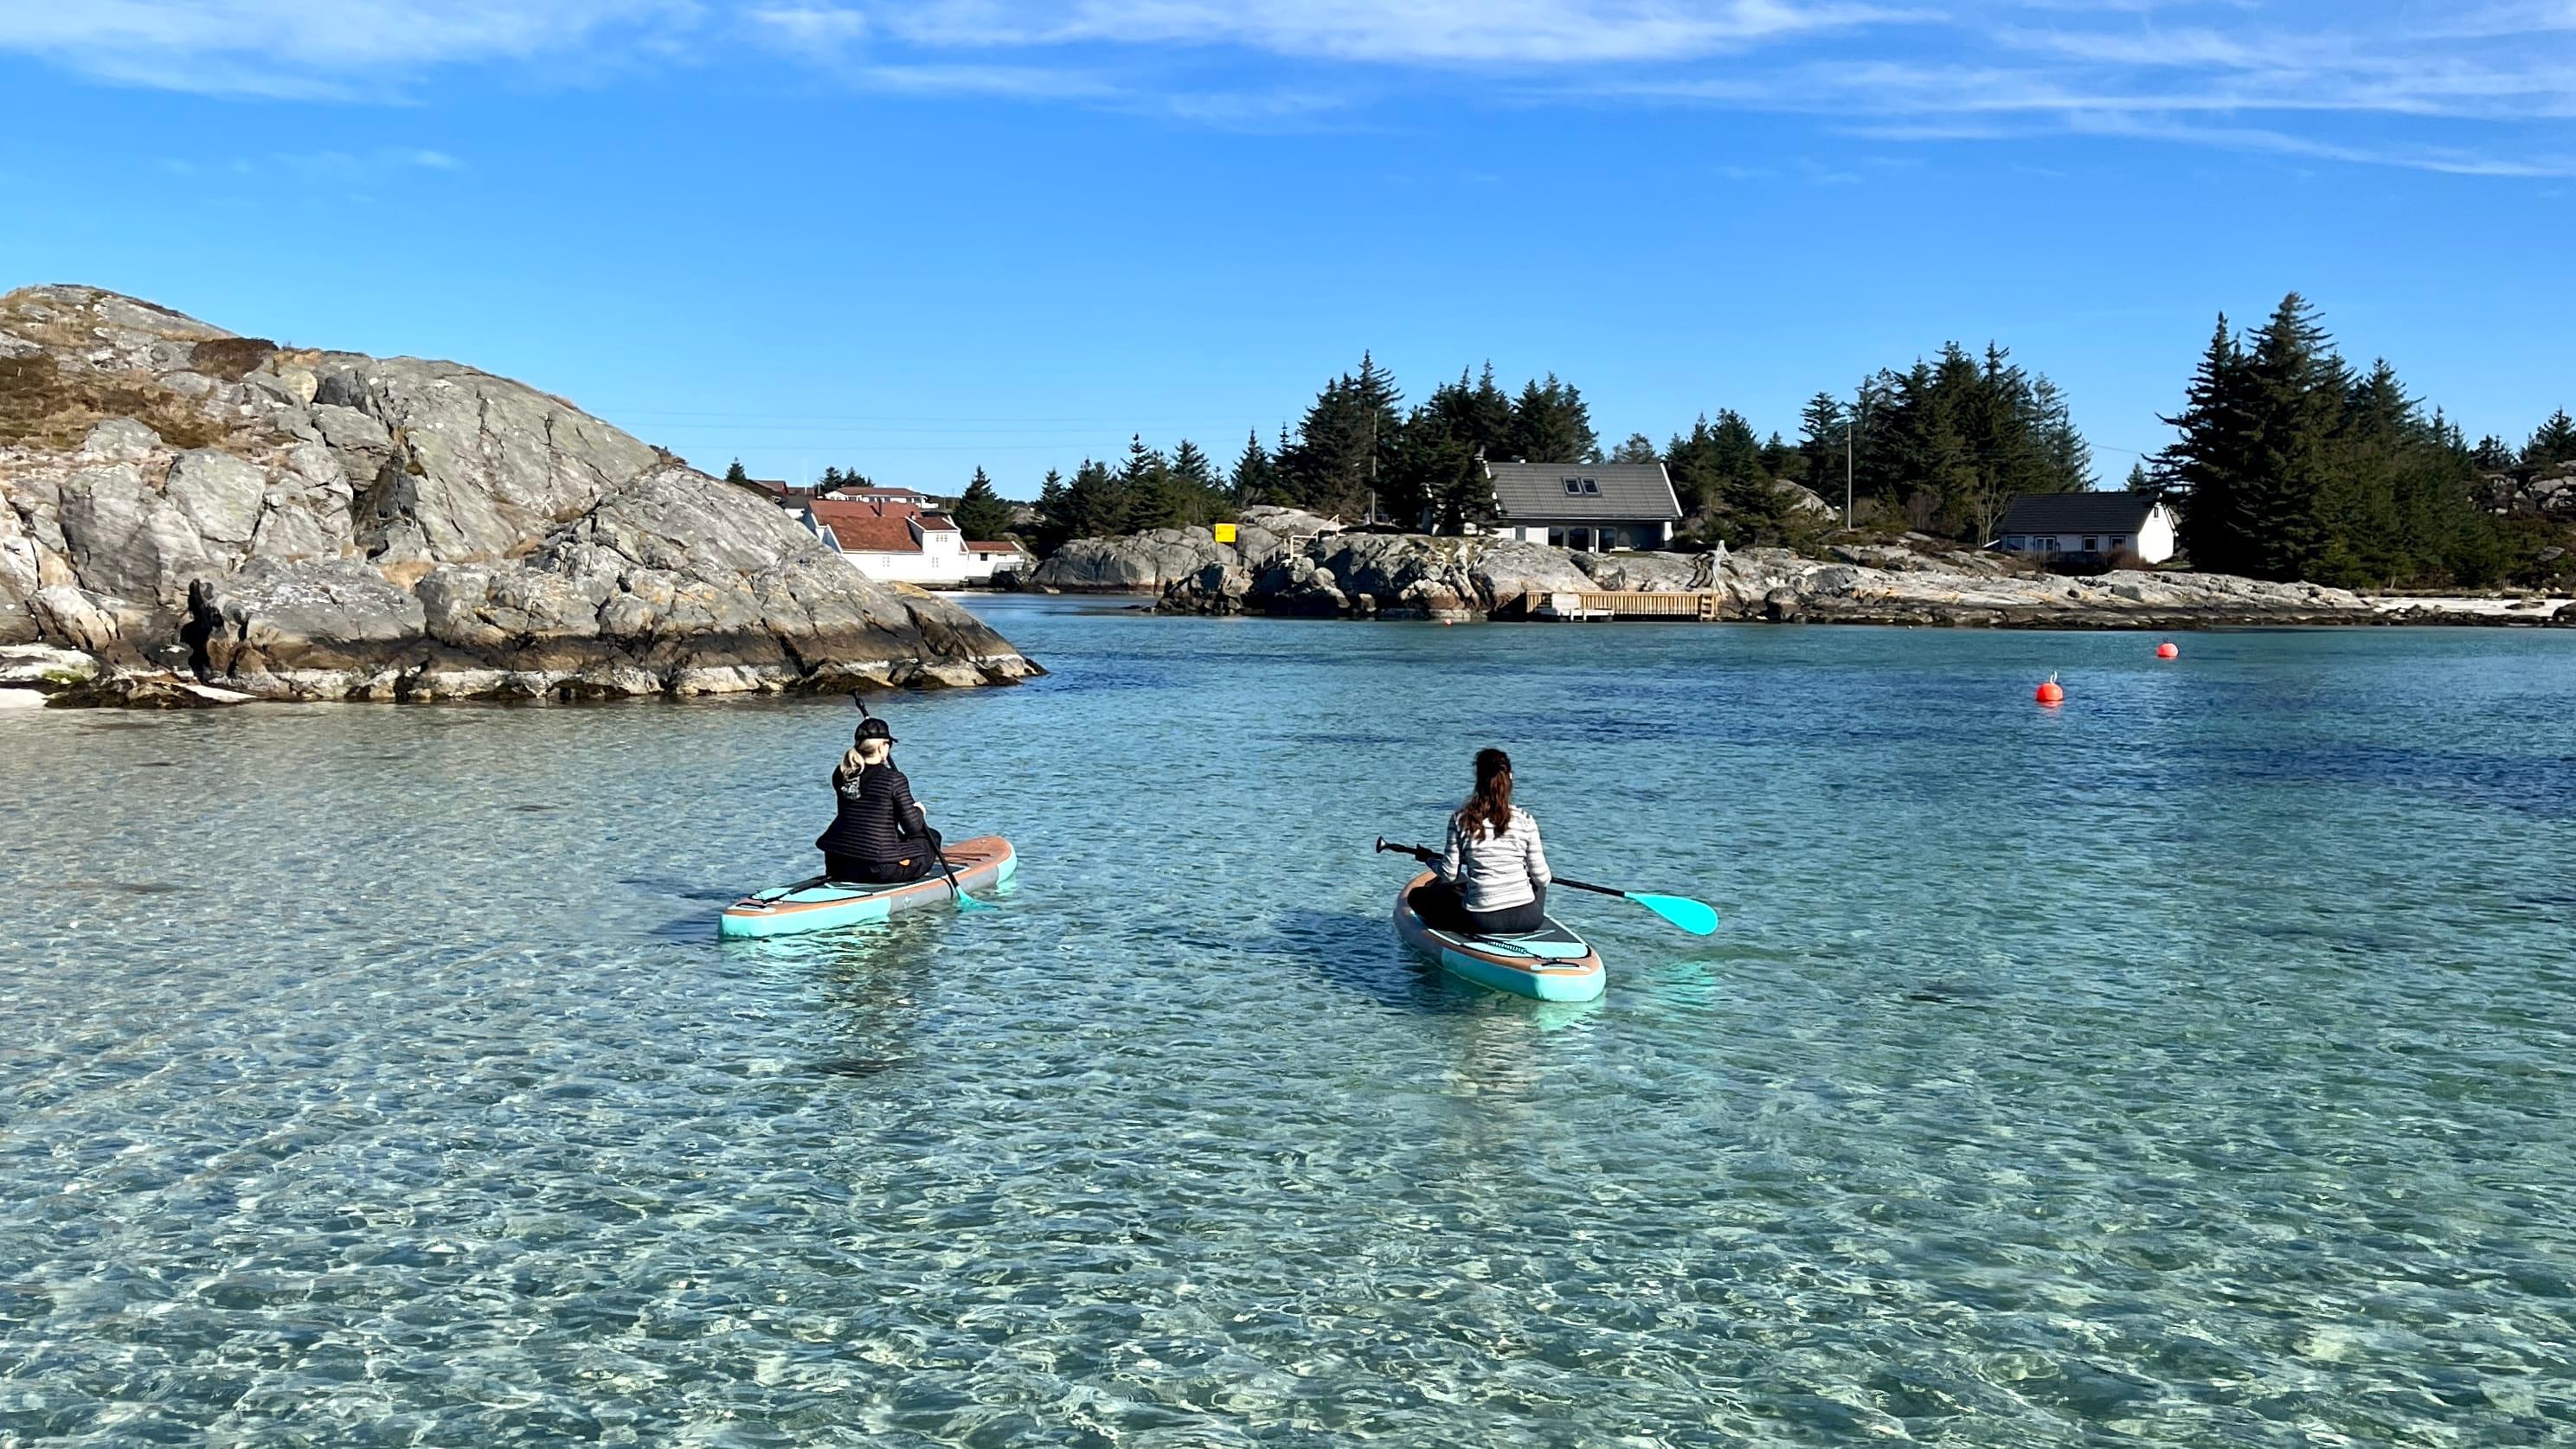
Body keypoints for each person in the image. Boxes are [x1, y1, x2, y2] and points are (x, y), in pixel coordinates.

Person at [1408, 747, 1551, 936]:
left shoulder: (1461, 820)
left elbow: (1449, 874)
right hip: (1529, 919)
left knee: (1416, 896)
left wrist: (1429, 859)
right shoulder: (1526, 820)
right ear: (1510, 778)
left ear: (1478, 779)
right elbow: (1543, 878)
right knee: (1537, 880)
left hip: (1482, 921)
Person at [814, 715, 943, 883]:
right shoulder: (894, 779)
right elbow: (912, 827)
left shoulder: (841, 774)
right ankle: (917, 877)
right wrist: (918, 811)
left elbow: (868, 810)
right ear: (883, 747)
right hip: (878, 869)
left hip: (837, 863)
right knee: (932, 837)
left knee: (894, 836)